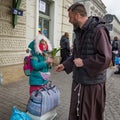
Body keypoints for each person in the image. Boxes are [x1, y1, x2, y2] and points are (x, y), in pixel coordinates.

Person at [55, 3, 112, 120]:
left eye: (70, 17)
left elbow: (106, 58)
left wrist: (85, 62)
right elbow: (75, 56)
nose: (69, 20)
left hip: (93, 85)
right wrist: (64, 65)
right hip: (79, 81)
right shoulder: (78, 32)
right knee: (76, 114)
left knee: (90, 116)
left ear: (77, 16)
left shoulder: (99, 30)